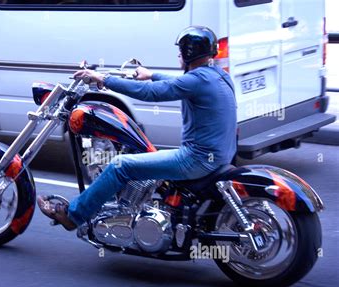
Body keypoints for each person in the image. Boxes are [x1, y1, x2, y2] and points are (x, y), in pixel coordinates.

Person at [37, 26, 237, 231]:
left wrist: (103, 79)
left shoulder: (196, 80)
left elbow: (149, 93)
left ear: (189, 52)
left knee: (120, 165)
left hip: (197, 159)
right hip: (222, 155)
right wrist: (151, 74)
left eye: (181, 50)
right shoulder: (217, 75)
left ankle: (73, 215)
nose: (178, 54)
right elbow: (178, 83)